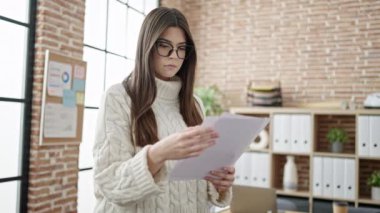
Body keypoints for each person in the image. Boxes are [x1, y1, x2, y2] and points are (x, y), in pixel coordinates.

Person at [93, 7, 234, 213]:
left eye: (181, 48)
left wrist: (218, 183)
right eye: (165, 46)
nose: (174, 56)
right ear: (147, 47)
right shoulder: (118, 98)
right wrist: (158, 153)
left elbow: (195, 187)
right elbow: (111, 184)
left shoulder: (194, 103)